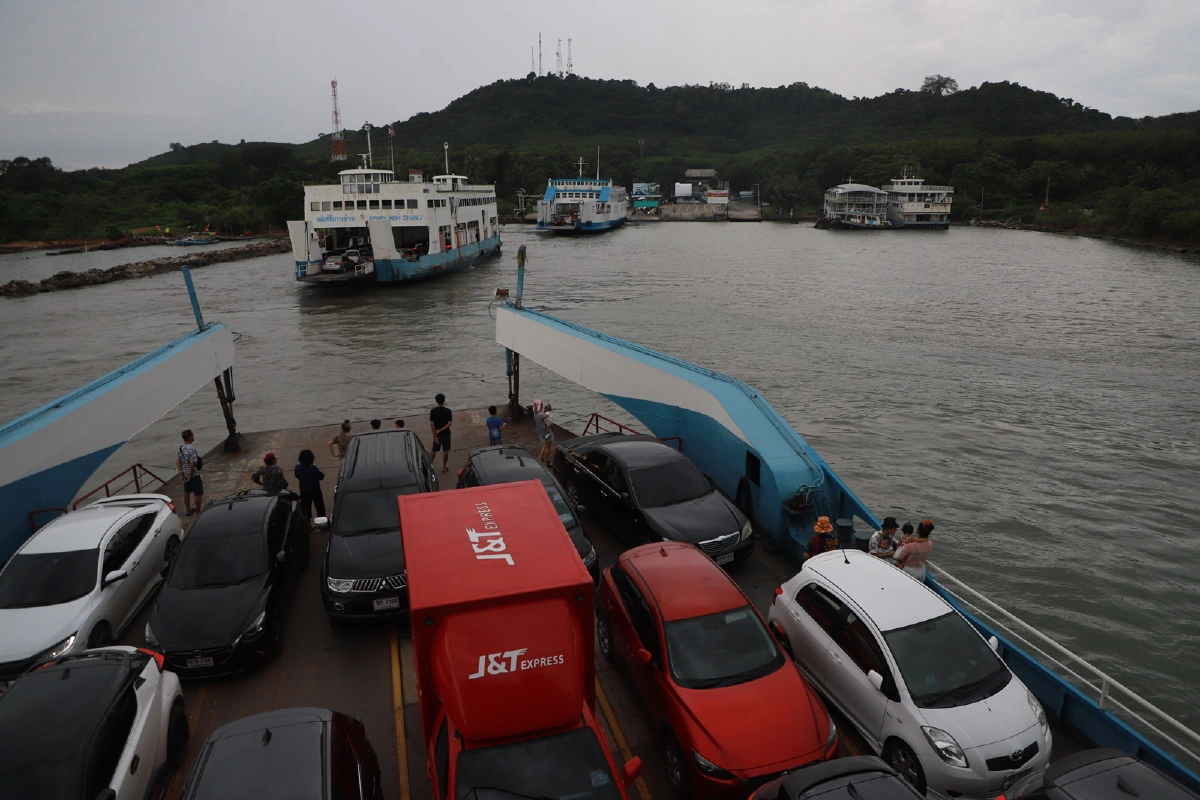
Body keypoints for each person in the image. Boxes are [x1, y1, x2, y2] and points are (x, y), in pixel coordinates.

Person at [176, 429, 203, 516]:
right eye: (192, 435)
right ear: (190, 436)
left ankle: (188, 510)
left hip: (185, 474)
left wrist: (181, 473)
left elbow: (178, 461)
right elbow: (192, 463)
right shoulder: (192, 449)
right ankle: (198, 512)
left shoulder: (180, 448)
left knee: (187, 492)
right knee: (198, 493)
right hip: (194, 474)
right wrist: (190, 475)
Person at [294, 449, 325, 519]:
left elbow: (296, 476)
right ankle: (322, 521)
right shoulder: (313, 468)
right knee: (320, 507)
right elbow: (321, 477)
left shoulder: (297, 467)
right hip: (315, 490)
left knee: (306, 508)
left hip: (304, 490)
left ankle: (307, 522)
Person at [430, 394, 453, 472]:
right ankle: (444, 467)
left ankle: (430, 465)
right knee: (445, 450)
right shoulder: (448, 411)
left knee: (434, 449)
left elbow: (432, 424)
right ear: (444, 400)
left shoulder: (433, 411)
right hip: (446, 433)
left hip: (436, 434)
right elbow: (449, 423)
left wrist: (435, 435)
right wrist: (441, 430)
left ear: (436, 401)